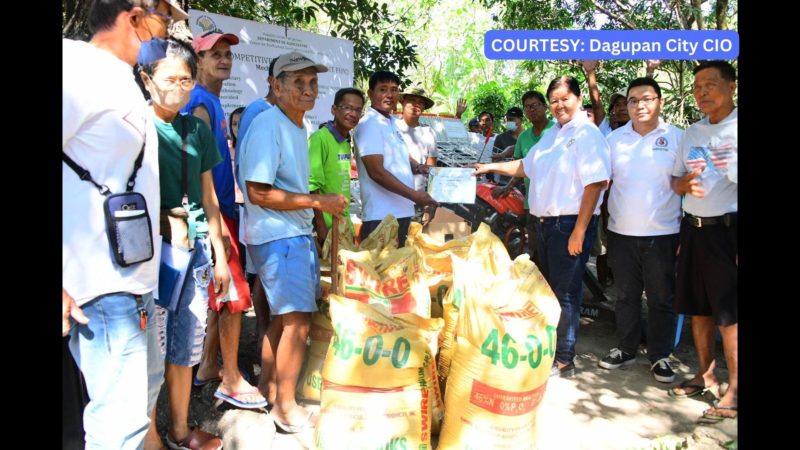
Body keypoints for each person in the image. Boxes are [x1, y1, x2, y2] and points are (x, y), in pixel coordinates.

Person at [62, 0, 183, 447]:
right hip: (102, 285)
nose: (167, 32)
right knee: (120, 425)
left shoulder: (118, 77)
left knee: (137, 406)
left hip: (132, 283)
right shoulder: (78, 69)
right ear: (133, 17)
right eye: (163, 19)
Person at [238, 51, 348, 432]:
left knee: (284, 322)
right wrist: (319, 201)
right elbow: (258, 191)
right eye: (297, 82)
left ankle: (269, 389)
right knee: (299, 324)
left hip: (289, 234)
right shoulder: (269, 124)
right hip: (279, 236)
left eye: (312, 83)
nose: (307, 90)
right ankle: (286, 407)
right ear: (276, 85)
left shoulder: (298, 126)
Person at [474, 75, 611, 379]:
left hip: (569, 224)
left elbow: (595, 184)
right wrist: (488, 167)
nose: (559, 105)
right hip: (545, 223)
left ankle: (564, 359)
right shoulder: (553, 134)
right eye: (555, 100)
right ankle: (551, 350)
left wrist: (579, 229)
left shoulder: (587, 134)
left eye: (565, 98)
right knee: (548, 291)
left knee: (565, 293)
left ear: (577, 99)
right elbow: (525, 165)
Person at [138, 37, 235, 449]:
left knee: (185, 344)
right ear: (147, 80)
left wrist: (220, 256)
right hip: (147, 253)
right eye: (169, 79)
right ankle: (149, 436)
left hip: (191, 250)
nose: (180, 87)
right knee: (147, 354)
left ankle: (179, 430)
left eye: (185, 79)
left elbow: (208, 196)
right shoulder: (133, 125)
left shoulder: (196, 128)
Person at [182, 30, 258, 409]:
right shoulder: (199, 102)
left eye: (227, 54)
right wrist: (214, 230)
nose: (224, 60)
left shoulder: (211, 101)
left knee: (219, 296)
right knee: (233, 297)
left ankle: (208, 366)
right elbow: (195, 169)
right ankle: (230, 378)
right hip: (213, 217)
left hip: (224, 210)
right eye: (215, 54)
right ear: (198, 61)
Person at [598, 77, 684, 384]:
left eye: (646, 99)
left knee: (661, 298)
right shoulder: (614, 140)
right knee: (626, 296)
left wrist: (685, 234)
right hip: (621, 234)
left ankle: (660, 355)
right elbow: (602, 185)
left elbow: (685, 186)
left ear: (660, 101)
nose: (639, 105)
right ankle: (626, 348)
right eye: (633, 100)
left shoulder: (677, 138)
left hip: (664, 234)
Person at [669, 60, 737, 422]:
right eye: (697, 87)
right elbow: (675, 180)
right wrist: (682, 186)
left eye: (710, 84)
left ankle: (736, 389)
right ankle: (706, 374)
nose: (702, 92)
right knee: (699, 308)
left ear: (732, 87)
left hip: (728, 231)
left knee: (729, 314)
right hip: (693, 228)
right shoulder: (691, 133)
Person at [354, 70, 438, 246]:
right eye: (383, 89)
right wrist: (415, 196)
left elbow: (400, 154)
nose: (389, 95)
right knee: (380, 271)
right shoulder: (370, 124)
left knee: (399, 270)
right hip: (381, 217)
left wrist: (417, 167)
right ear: (370, 94)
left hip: (400, 213)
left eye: (394, 89)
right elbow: (376, 172)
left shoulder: (390, 122)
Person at [491, 91, 555, 262]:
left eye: (535, 105)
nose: (531, 110)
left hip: (556, 203)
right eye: (527, 107)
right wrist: (507, 187)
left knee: (556, 251)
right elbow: (520, 167)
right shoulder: (523, 137)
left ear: (545, 106)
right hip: (532, 203)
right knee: (535, 248)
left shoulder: (557, 131)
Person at [309, 87, 365, 246]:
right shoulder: (320, 139)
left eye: (358, 110)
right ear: (334, 109)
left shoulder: (346, 140)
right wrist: (320, 227)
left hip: (343, 225)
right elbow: (312, 187)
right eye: (347, 108)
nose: (353, 114)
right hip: (327, 228)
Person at [396, 86, 439, 222]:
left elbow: (432, 172)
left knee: (413, 241)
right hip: (392, 197)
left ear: (424, 107)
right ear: (402, 102)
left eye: (420, 102)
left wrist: (430, 205)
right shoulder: (392, 127)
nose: (415, 105)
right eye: (411, 100)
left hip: (417, 200)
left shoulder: (428, 133)